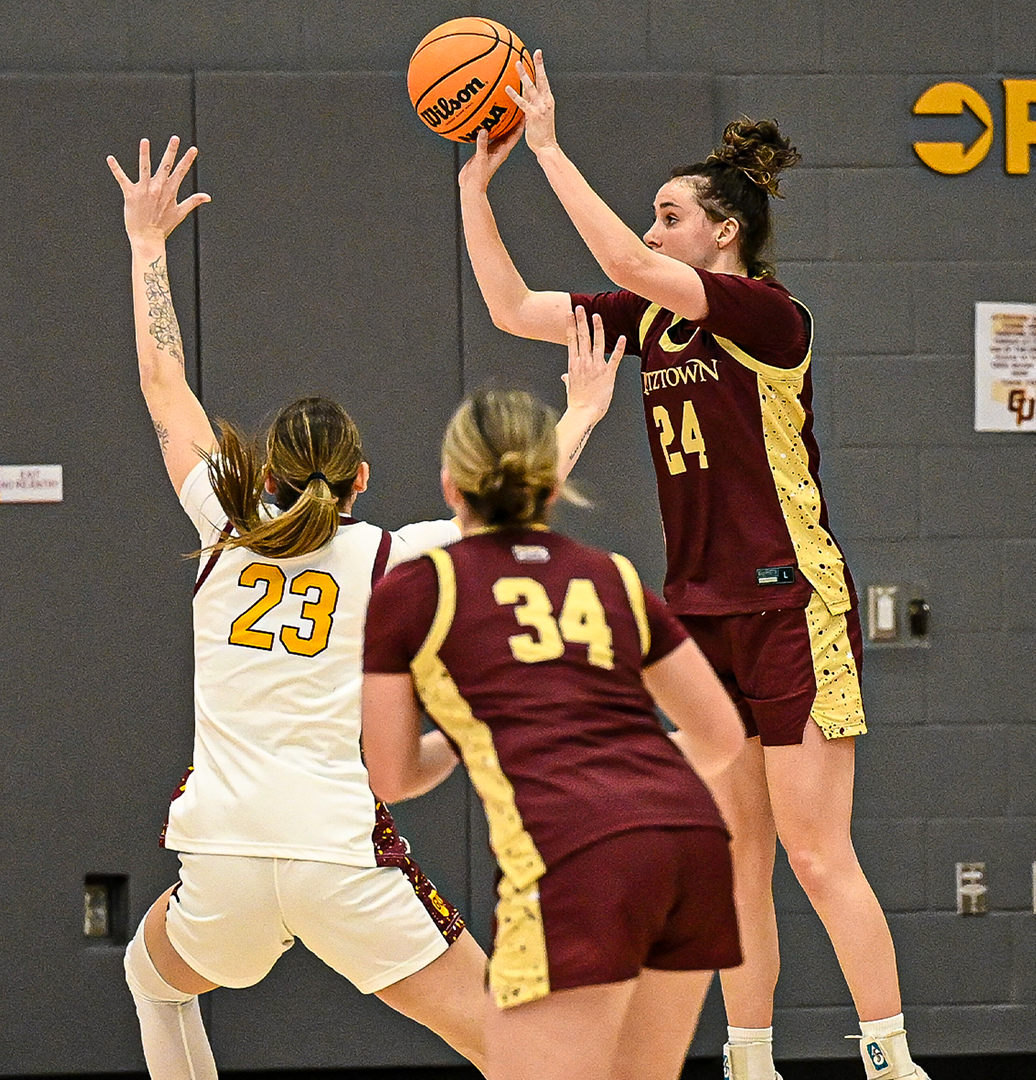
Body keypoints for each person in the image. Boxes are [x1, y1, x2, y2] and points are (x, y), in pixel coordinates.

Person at [455, 56, 929, 1080]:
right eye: (652, 216)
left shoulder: (766, 314)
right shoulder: (649, 319)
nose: (654, 229)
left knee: (815, 851)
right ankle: (747, 1060)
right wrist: (472, 190)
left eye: (670, 215)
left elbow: (627, 264)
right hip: (699, 614)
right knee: (730, 861)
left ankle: (890, 1058)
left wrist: (547, 145)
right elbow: (509, 308)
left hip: (788, 598)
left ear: (724, 231)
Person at [106, 135, 618, 1079]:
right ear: (363, 479)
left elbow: (162, 385)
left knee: (153, 977)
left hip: (220, 854)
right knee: (513, 1049)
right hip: (340, 856)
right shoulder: (391, 554)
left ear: (261, 472)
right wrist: (584, 406)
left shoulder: (223, 525)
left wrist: (146, 245)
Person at [360, 378, 748, 1080]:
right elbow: (720, 737)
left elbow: (391, 777)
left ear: (450, 485)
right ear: (549, 486)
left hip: (573, 854)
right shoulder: (614, 577)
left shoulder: (417, 592)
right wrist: (622, 769)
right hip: (690, 841)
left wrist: (460, 736)